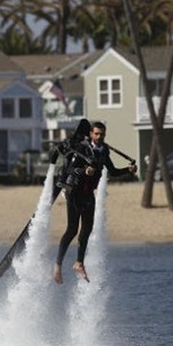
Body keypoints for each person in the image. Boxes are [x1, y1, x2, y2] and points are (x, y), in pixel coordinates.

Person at [52, 121, 137, 284]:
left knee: (87, 229)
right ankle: (57, 264)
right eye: (96, 134)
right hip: (74, 192)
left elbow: (112, 171)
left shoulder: (103, 150)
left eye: (102, 134)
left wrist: (128, 170)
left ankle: (79, 263)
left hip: (88, 193)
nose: (99, 137)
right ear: (91, 134)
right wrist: (84, 170)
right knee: (72, 230)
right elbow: (70, 169)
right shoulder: (82, 148)